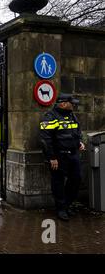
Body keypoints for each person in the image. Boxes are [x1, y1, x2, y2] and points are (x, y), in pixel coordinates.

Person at [40, 93, 85, 221]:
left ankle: (66, 204)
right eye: (72, 103)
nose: (74, 105)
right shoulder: (50, 116)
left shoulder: (72, 115)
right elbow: (45, 140)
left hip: (73, 154)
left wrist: (80, 142)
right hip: (58, 156)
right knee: (58, 183)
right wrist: (52, 157)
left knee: (76, 180)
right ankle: (61, 209)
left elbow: (77, 132)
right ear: (63, 103)